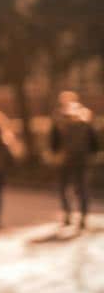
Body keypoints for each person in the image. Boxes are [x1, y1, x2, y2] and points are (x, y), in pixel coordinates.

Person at [49, 98, 99, 229]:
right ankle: (83, 216)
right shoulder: (85, 122)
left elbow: (53, 144)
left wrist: (55, 155)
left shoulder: (59, 123)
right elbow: (95, 144)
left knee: (64, 188)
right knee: (82, 188)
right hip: (82, 159)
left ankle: (67, 215)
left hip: (64, 160)